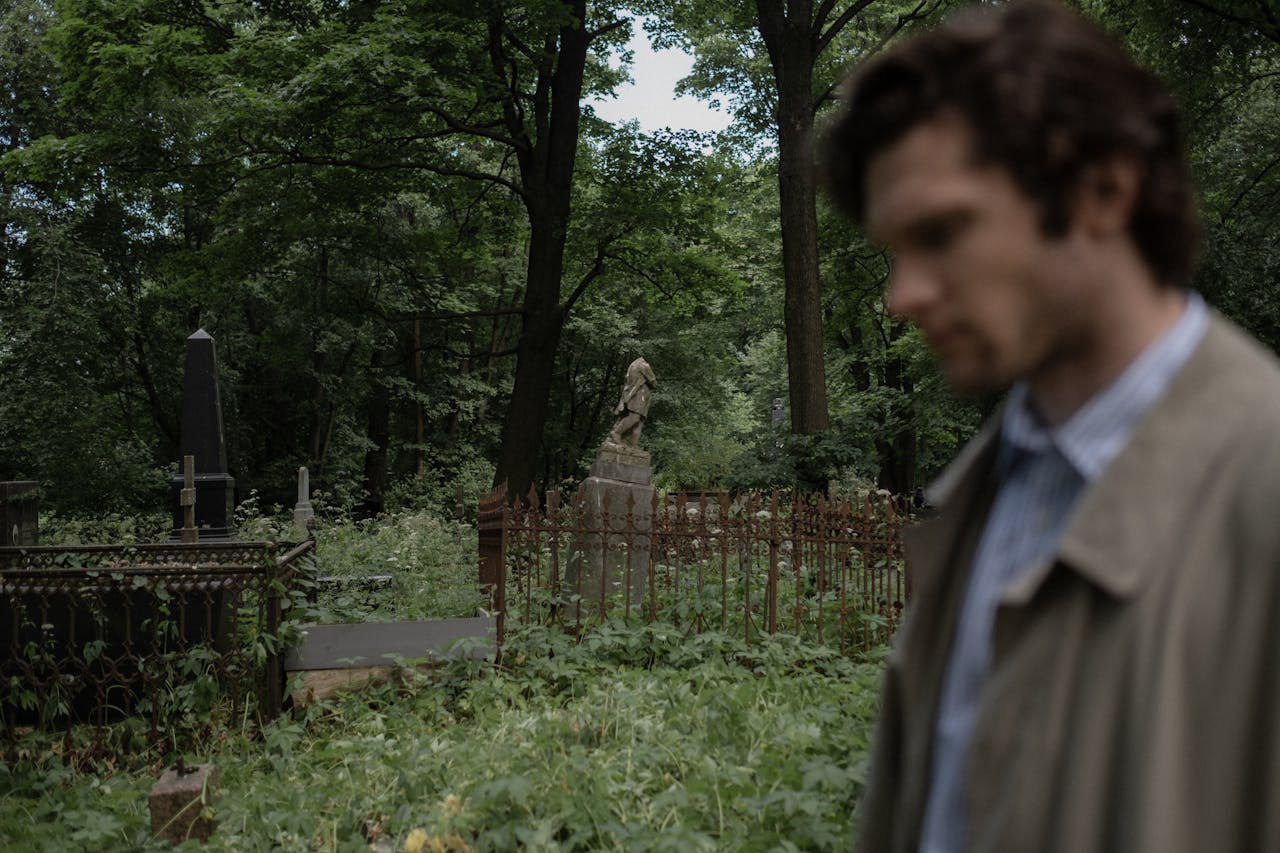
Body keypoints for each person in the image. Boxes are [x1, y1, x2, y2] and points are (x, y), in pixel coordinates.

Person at [821, 1, 1280, 851]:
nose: (903, 295)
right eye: (894, 250)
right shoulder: (972, 505)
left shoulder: (1262, 488)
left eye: (942, 231)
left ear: (1102, 190)